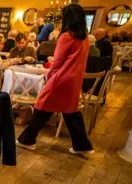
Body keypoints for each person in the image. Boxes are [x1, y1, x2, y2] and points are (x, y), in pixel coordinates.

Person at [17, 4, 94, 155]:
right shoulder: (84, 37)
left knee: (42, 106)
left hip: (61, 78)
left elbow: (57, 63)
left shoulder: (66, 37)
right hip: (74, 79)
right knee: (70, 111)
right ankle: (82, 145)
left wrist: (48, 78)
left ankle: (27, 140)